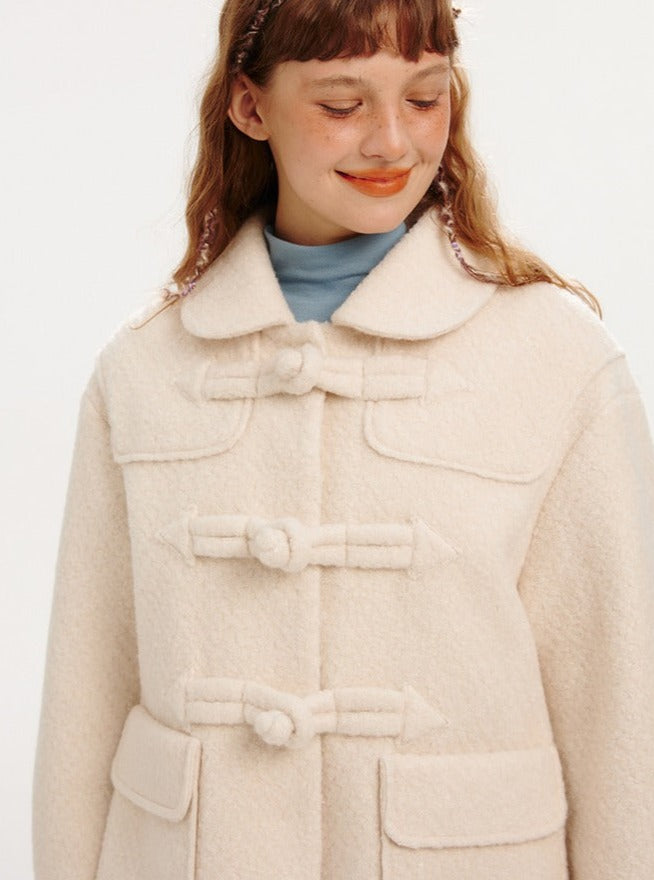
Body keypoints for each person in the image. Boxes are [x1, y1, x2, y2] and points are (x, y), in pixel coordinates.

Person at [32, 1, 654, 879]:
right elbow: (85, 696)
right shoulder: (144, 371)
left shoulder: (555, 361)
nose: (393, 142)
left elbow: (621, 704)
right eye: (341, 104)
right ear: (250, 106)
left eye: (425, 97)